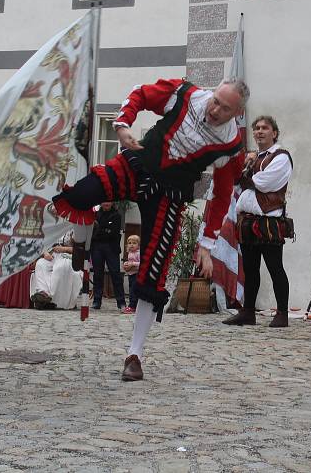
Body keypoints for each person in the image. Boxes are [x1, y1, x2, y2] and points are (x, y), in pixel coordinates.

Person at [52, 77, 247, 381]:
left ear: (236, 114)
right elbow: (141, 93)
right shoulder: (184, 93)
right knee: (81, 194)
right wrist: (123, 125)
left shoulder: (231, 145)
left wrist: (206, 245)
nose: (215, 109)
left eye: (224, 109)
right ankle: (79, 241)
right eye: (215, 101)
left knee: (152, 275)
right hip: (138, 164)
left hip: (170, 195)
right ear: (212, 93)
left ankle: (134, 354)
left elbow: (222, 197)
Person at [223, 116, 293, 327]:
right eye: (257, 128)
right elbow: (235, 179)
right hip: (247, 220)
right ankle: (248, 312)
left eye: (265, 128)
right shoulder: (253, 157)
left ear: (274, 133)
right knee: (251, 269)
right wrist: (246, 168)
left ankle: (282, 314)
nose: (260, 131)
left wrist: (246, 174)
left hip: (269, 221)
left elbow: (264, 183)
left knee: (275, 267)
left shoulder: (281, 157)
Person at [31, 230, 82, 310]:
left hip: (68, 256)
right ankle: (43, 293)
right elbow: (41, 243)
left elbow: (80, 249)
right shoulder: (53, 226)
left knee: (60, 268)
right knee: (41, 264)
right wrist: (45, 253)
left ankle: (54, 299)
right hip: (52, 255)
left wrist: (64, 249)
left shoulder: (74, 228)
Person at [90, 201, 126, 310]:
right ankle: (97, 300)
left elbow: (113, 232)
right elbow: (93, 231)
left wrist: (100, 229)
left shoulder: (116, 215)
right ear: (100, 203)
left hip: (111, 247)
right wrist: (105, 229)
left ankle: (121, 302)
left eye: (109, 201)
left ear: (112, 203)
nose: (106, 203)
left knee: (115, 273)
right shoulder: (95, 214)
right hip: (97, 247)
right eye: (104, 201)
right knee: (97, 274)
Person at [121, 235, 140, 314]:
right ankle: (132, 305)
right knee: (131, 290)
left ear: (138, 245)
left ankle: (133, 306)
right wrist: (126, 264)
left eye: (134, 243)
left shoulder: (138, 253)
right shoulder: (130, 253)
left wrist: (132, 264)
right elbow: (129, 263)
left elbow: (141, 263)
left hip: (136, 274)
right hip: (131, 274)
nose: (131, 245)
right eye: (130, 243)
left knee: (133, 291)